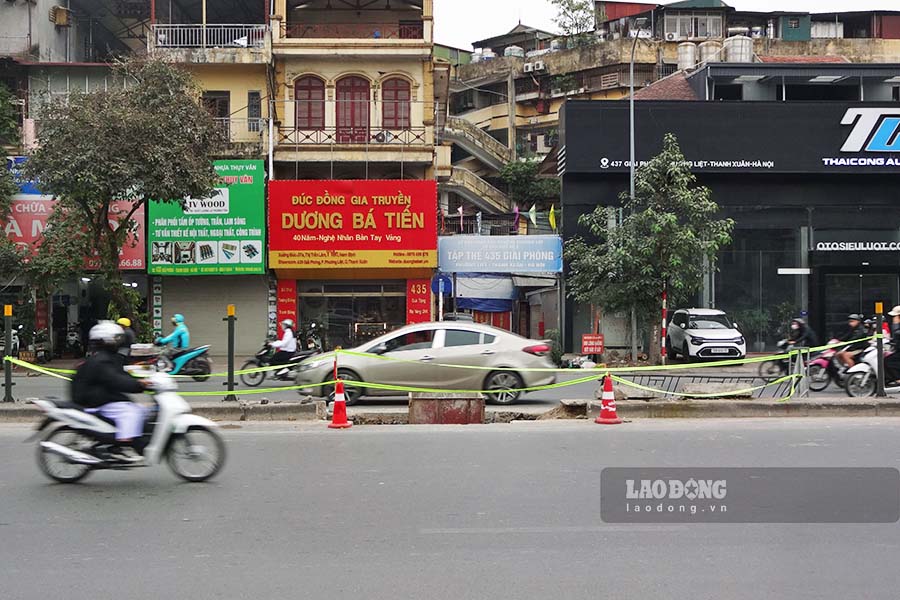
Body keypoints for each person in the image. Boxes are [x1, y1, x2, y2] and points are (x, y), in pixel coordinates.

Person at [70, 322, 147, 463]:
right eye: (116, 339)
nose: (119, 342)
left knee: (139, 410)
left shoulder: (105, 358)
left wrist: (141, 380)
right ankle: (123, 447)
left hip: (100, 397)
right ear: (106, 340)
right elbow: (116, 380)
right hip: (95, 401)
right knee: (130, 412)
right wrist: (138, 385)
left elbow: (120, 375)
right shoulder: (101, 361)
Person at [884, 306, 900, 384]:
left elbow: (897, 333)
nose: (893, 318)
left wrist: (896, 324)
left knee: (889, 361)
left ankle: (898, 379)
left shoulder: (897, 326)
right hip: (898, 349)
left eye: (895, 316)